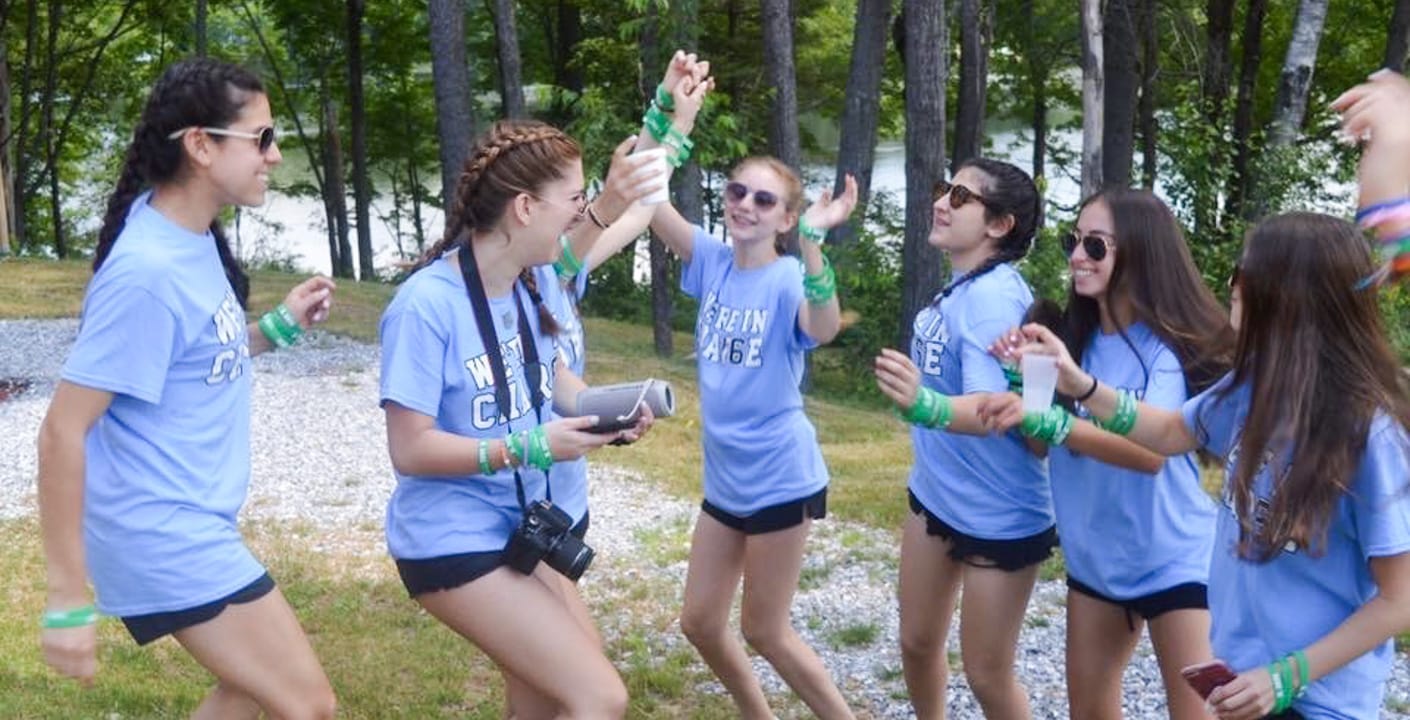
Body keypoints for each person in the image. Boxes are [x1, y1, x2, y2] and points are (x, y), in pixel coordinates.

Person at [990, 88, 1410, 713]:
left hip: (1318, 701)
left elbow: (1398, 600)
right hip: (1245, 676)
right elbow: (1165, 434)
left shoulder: (1366, 432)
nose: (1230, 286)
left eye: (1245, 276)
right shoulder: (1252, 387)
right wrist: (1075, 385)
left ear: (1289, 300)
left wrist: (1287, 676)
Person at [37, 57, 338, 718]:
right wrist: (66, 597)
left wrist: (278, 328)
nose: (275, 155)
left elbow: (197, 353)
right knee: (308, 705)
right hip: (161, 531)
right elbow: (62, 429)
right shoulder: (146, 270)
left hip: (190, 521)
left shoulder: (187, 237)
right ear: (200, 145)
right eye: (260, 138)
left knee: (252, 690)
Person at [379, 118, 652, 720]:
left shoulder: (532, 283)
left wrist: (610, 414)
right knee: (597, 695)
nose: (583, 214)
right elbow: (410, 449)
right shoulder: (424, 307)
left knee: (543, 700)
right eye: (576, 199)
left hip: (518, 526)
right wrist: (522, 448)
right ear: (526, 208)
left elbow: (556, 384)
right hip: (452, 538)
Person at [635, 50, 859, 720]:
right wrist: (667, 109)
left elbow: (821, 329)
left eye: (765, 200)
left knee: (766, 629)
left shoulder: (790, 276)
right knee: (701, 623)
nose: (746, 205)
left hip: (780, 475)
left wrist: (816, 247)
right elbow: (644, 193)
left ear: (787, 218)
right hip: (725, 477)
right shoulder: (710, 260)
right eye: (736, 192)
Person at [987, 189, 1234, 719]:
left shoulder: (1161, 350)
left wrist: (1061, 417)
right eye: (1072, 241)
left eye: (1095, 246)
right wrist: (1026, 383)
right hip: (1096, 563)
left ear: (1141, 254)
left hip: (1175, 562)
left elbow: (1150, 454)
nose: (1077, 256)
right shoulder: (1070, 337)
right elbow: (1037, 444)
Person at [871, 158, 1053, 719]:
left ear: (999, 225)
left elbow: (992, 408)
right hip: (937, 495)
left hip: (1001, 514)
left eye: (959, 197)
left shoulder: (993, 298)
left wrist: (923, 402)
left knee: (987, 674)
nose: (941, 202)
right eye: (942, 190)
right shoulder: (966, 284)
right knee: (917, 642)